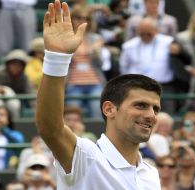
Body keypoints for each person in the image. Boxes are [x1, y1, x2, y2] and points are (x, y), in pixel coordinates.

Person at [35, 1, 162, 189]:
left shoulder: (151, 174)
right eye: (141, 105)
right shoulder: (86, 157)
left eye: (156, 109)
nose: (151, 115)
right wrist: (57, 58)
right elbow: (50, 129)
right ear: (109, 109)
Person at [120, 17, 175, 114]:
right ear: (138, 31)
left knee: (166, 116)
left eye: (148, 33)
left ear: (156, 30)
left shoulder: (168, 42)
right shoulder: (129, 46)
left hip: (163, 87)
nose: (145, 35)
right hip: (137, 88)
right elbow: (123, 67)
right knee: (139, 116)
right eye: (142, 33)